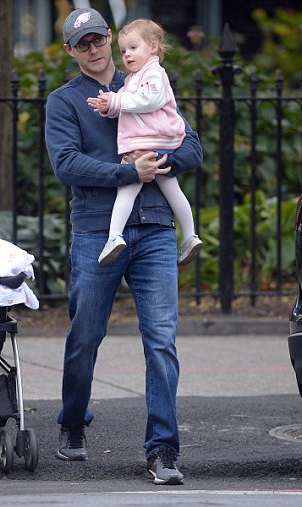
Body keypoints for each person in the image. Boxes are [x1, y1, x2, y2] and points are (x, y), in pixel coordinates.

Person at [45, 8, 202, 485]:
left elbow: (191, 147)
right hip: (98, 230)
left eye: (98, 39)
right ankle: (74, 421)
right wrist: (127, 172)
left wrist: (159, 160)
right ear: (70, 51)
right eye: (82, 44)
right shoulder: (64, 101)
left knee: (161, 341)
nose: (93, 49)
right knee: (86, 335)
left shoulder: (147, 79)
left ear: (110, 38)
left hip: (155, 228)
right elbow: (66, 164)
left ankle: (163, 450)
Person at [87, 19, 202, 266]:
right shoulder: (134, 78)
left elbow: (149, 100)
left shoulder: (154, 73)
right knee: (171, 190)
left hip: (152, 140)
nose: (127, 55)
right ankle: (190, 236)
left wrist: (116, 101)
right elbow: (128, 106)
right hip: (155, 142)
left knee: (127, 188)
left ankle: (114, 236)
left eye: (133, 47)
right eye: (123, 51)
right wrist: (109, 107)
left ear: (153, 47)